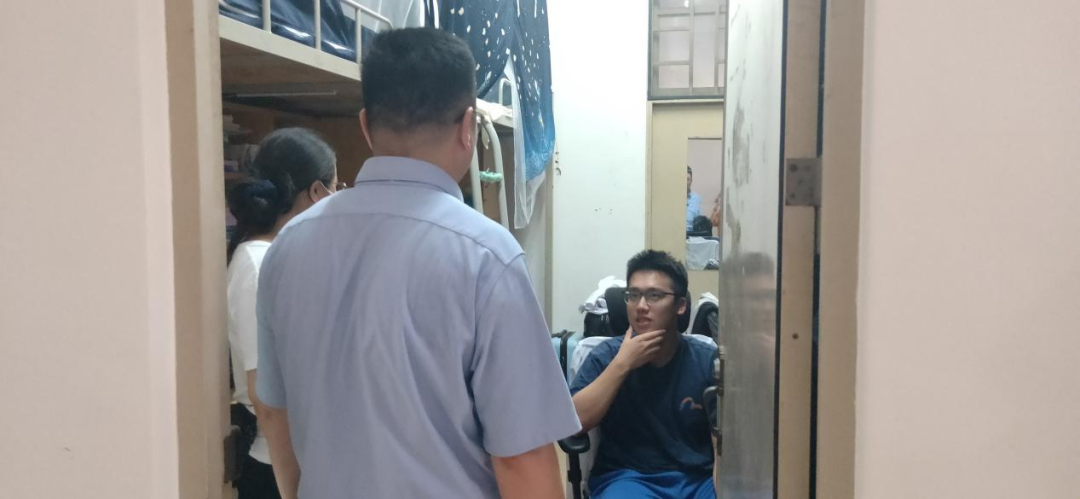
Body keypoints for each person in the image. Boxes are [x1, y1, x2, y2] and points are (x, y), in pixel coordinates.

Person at [255, 28, 580, 499]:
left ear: (366, 126)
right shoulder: (487, 255)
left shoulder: (287, 246)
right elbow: (521, 458)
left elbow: (273, 411)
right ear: (468, 127)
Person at [225, 128, 339, 499]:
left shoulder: (281, 257)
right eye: (336, 188)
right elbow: (265, 397)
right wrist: (294, 489)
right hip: (277, 468)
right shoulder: (259, 265)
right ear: (317, 193)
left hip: (305, 461)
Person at [570, 250, 718, 499]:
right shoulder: (605, 356)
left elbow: (723, 441)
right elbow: (573, 424)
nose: (641, 306)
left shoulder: (705, 359)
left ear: (681, 305)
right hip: (628, 479)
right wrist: (622, 364)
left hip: (697, 479)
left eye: (654, 296)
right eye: (633, 295)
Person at [686, 166, 701, 231]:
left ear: (691, 181)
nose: (685, 182)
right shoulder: (673, 197)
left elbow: (698, 222)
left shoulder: (696, 198)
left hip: (691, 234)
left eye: (688, 179)